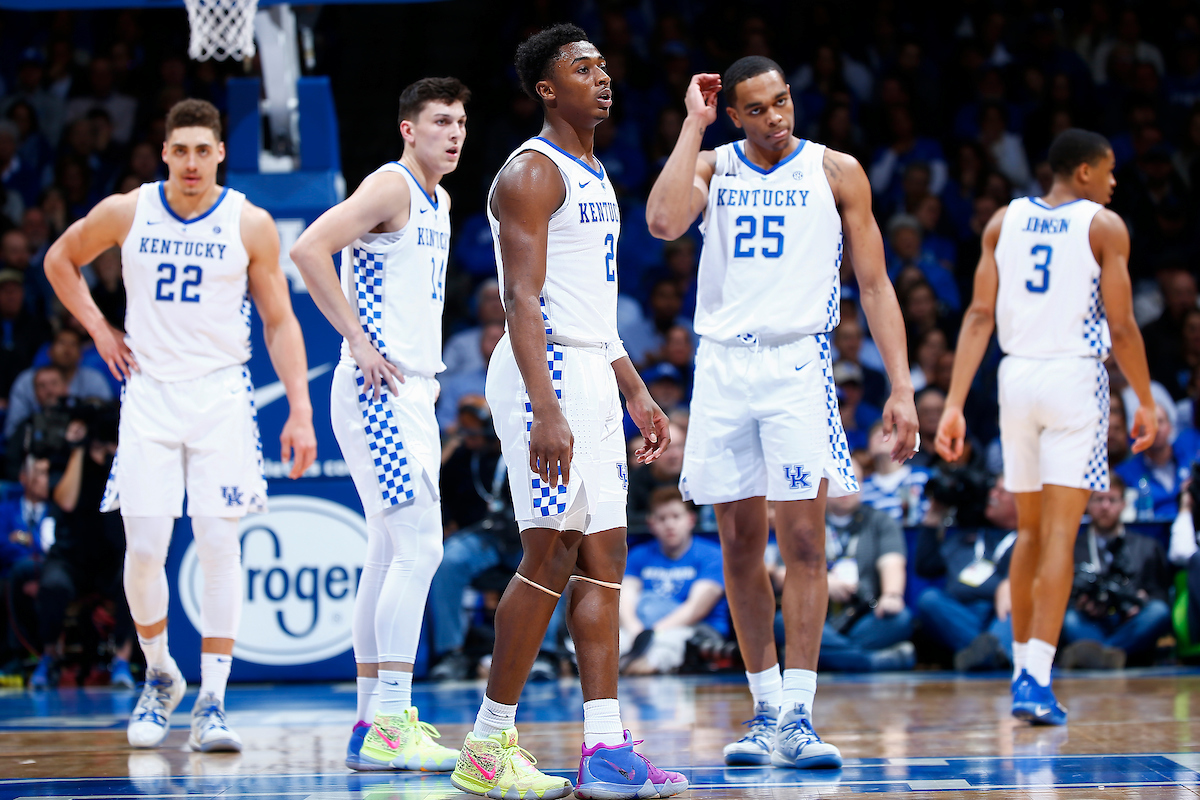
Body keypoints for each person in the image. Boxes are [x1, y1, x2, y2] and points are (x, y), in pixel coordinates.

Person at [645, 57, 919, 768]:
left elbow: (876, 282)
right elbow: (662, 221)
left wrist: (901, 386)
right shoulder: (714, 164)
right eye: (759, 109)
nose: (777, 117)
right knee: (738, 543)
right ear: (735, 115)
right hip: (724, 367)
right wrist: (693, 127)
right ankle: (764, 708)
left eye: (782, 102)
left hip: (798, 364)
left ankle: (798, 710)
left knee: (803, 543)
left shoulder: (836, 170)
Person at [448, 25, 682, 800]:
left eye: (605, 66)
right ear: (548, 89)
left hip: (585, 366)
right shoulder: (531, 172)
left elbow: (593, 310)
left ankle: (606, 747)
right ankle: (486, 746)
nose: (602, 78)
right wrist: (546, 408)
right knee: (548, 552)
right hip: (541, 368)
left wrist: (635, 388)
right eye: (583, 69)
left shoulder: (594, 169)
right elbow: (523, 299)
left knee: (606, 555)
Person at [43, 99, 317, 751]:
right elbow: (59, 259)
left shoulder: (249, 223)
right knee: (144, 552)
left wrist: (301, 411)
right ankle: (161, 674)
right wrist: (98, 328)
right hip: (150, 396)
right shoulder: (126, 210)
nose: (192, 162)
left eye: (203, 150)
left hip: (222, 397)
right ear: (164, 153)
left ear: (220, 153)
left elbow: (279, 321)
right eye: (181, 150)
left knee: (221, 549)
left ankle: (213, 701)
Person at [936, 128, 1157, 726]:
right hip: (1073, 381)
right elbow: (1125, 326)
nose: (1114, 183)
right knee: (1060, 535)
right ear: (1083, 173)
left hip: (1015, 381)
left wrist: (954, 402)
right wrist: (1145, 400)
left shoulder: (1002, 222)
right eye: (1109, 171)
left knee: (1030, 534)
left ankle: (1021, 672)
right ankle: (1035, 677)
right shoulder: (1102, 225)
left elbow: (979, 314)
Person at [290, 77, 469, 772]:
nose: (453, 134)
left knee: (386, 548)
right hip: (378, 391)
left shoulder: (441, 199)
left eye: (459, 122)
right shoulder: (391, 185)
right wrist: (358, 341)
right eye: (439, 122)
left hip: (412, 393)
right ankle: (392, 720)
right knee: (419, 547)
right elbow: (309, 248)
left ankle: (372, 720)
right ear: (407, 129)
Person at [1060, 476, 1173, 668]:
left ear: (1123, 504)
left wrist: (1140, 600)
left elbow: (1161, 594)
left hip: (1132, 624)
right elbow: (1062, 595)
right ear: (1087, 504)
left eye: (1112, 500)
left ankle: (1101, 656)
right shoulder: (1072, 548)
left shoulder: (1147, 547)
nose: (1105, 507)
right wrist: (1082, 604)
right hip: (1092, 624)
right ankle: (1110, 655)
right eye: (1098, 500)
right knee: (1069, 619)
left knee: (1158, 612)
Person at [619, 487, 728, 675]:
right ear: (651, 523)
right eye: (662, 519)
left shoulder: (712, 555)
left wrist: (653, 633)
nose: (669, 525)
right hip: (641, 628)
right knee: (608, 643)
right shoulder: (638, 555)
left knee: (666, 647)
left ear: (690, 520)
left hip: (691, 628)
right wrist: (636, 631)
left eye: (676, 517)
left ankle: (642, 665)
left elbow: (696, 608)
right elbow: (624, 599)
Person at [915, 475, 1018, 671]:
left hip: (997, 613)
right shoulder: (968, 536)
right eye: (993, 489)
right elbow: (926, 566)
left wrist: (1011, 581)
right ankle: (990, 653)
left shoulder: (1026, 540)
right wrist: (933, 519)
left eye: (1001, 492)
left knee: (1016, 606)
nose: (992, 495)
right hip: (961, 614)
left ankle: (985, 653)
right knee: (929, 599)